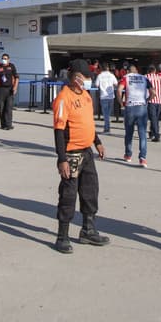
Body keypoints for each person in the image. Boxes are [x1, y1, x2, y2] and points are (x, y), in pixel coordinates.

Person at [51, 61, 110, 254]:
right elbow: (59, 131)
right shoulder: (63, 98)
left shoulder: (85, 96)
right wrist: (61, 159)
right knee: (68, 195)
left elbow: (88, 123)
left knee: (90, 191)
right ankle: (62, 236)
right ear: (77, 78)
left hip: (87, 151)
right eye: (86, 77)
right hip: (72, 154)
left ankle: (88, 229)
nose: (89, 80)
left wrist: (97, 141)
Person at [120, 64, 149, 167]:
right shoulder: (144, 78)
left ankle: (128, 155)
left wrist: (120, 102)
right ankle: (143, 158)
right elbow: (153, 92)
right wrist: (147, 101)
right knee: (142, 134)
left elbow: (119, 89)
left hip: (130, 106)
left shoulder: (126, 77)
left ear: (128, 71)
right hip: (142, 106)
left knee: (129, 133)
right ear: (136, 70)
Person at [93, 62, 118, 134]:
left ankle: (107, 128)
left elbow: (96, 85)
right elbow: (116, 83)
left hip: (103, 96)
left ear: (101, 68)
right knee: (108, 114)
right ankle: (107, 127)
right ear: (108, 68)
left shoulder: (100, 76)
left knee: (105, 114)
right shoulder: (111, 75)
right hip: (111, 96)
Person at [0, 53, 17, 129]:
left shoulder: (11, 66)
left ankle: (9, 124)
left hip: (10, 89)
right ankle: (3, 124)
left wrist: (15, 87)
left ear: (8, 59)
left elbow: (16, 77)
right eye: (3, 58)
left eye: (5, 58)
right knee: (2, 108)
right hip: (1, 89)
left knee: (9, 107)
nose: (4, 60)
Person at [146, 64, 161, 142]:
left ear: (148, 71)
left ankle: (156, 134)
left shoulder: (146, 77)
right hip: (159, 101)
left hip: (150, 100)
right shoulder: (160, 78)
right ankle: (152, 132)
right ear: (155, 71)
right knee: (155, 118)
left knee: (153, 118)